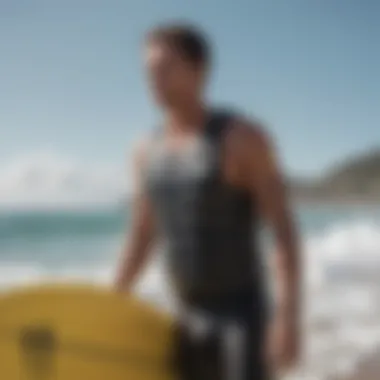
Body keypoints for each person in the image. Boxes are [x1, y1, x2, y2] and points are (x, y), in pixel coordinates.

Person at [114, 22, 301, 380]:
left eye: (165, 68)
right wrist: (112, 300)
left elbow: (283, 230)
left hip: (241, 320)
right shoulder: (145, 151)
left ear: (200, 69)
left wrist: (288, 318)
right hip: (184, 317)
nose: (153, 79)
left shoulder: (242, 139)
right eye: (148, 71)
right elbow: (142, 233)